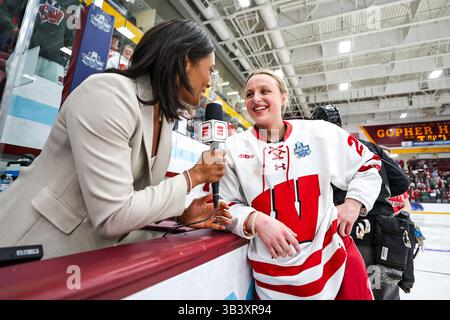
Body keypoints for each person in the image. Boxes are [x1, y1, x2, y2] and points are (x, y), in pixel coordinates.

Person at [0, 19, 231, 259]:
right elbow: (114, 216)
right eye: (210, 70)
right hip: (26, 252)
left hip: (81, 264)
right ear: (185, 61)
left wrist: (179, 216)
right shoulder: (108, 95)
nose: (209, 83)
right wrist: (194, 177)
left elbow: (137, 198)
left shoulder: (163, 118)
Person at [220, 69, 382, 300]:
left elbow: (368, 164)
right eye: (249, 94)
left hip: (334, 264)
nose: (255, 98)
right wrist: (256, 220)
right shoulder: (233, 148)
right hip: (272, 279)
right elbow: (223, 205)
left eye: (265, 91)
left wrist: (354, 203)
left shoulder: (320, 133)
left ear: (284, 97)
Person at [311, 104, 411, 300]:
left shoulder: (320, 152)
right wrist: (378, 193)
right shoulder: (371, 148)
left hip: (350, 233)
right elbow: (401, 182)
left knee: (354, 292)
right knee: (386, 292)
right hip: (388, 234)